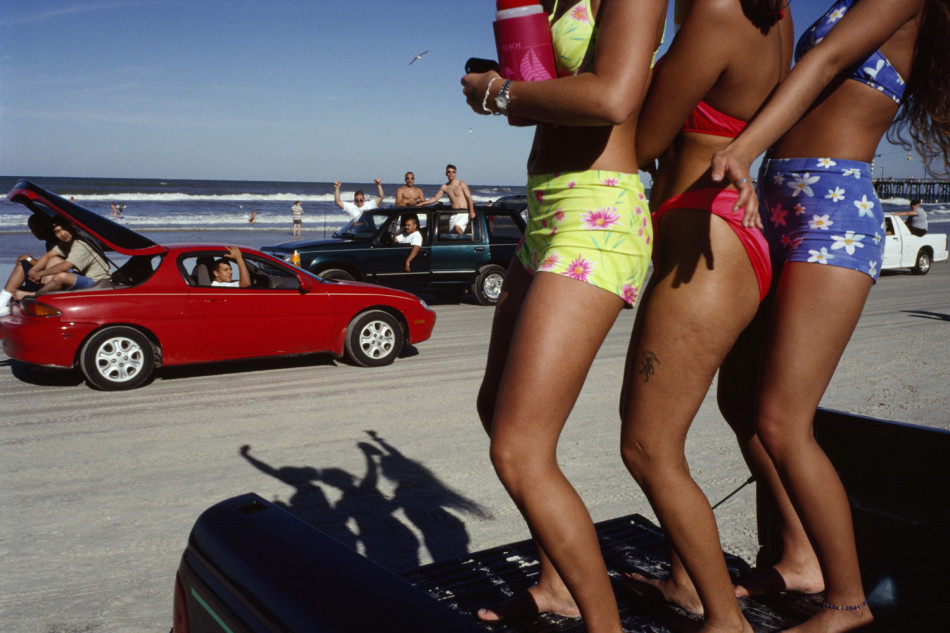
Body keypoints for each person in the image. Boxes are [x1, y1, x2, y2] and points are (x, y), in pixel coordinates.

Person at [710, 1, 950, 631]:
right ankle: (799, 558)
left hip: (833, 213)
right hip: (780, 200)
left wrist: (744, 147)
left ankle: (848, 601)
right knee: (739, 401)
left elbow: (827, 59)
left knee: (783, 421)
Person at [460, 1, 665, 631]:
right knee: (495, 409)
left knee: (519, 450)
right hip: (547, 212)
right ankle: (559, 587)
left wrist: (498, 92)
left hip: (597, 216)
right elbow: (538, 106)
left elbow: (612, 97)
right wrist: (505, 86)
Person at [617, 1, 791, 628]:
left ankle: (723, 618)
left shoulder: (716, 13)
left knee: (647, 445)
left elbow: (642, 140)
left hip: (707, 239)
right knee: (691, 428)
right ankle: (687, 580)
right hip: (729, 236)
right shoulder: (774, 14)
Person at [8, 218, 111, 304]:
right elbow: (48, 256)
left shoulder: (81, 244)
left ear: (72, 227)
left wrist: (39, 273)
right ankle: (45, 297)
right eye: (57, 232)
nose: (62, 234)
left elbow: (66, 266)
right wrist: (34, 271)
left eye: (64, 229)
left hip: (97, 282)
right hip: (82, 277)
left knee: (61, 276)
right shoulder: (65, 243)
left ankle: (33, 296)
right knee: (53, 260)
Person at [0, 215, 57, 316]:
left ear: (44, 226)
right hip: (45, 277)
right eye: (32, 228)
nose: (34, 232)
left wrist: (29, 259)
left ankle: (1, 302)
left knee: (22, 265)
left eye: (36, 228)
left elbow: (51, 268)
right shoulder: (50, 241)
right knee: (15, 291)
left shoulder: (54, 242)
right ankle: (2, 303)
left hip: (51, 280)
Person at [421, 165, 475, 234]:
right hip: (454, 213)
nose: (451, 173)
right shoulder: (445, 187)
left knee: (457, 227)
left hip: (464, 212)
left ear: (456, 174)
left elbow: (469, 198)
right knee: (452, 235)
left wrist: (471, 211)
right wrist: (422, 203)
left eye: (453, 172)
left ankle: (465, 242)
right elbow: (435, 198)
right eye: (449, 172)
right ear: (446, 173)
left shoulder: (461, 184)